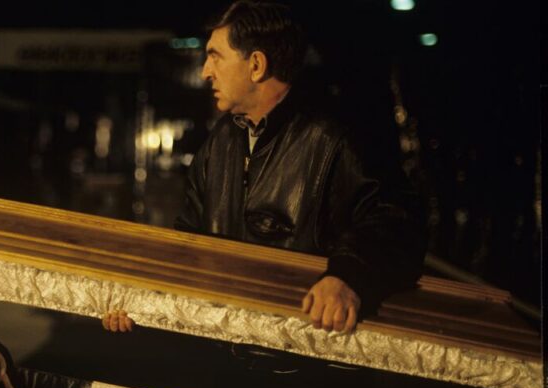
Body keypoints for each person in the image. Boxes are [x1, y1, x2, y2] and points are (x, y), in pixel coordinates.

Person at [104, 0, 424, 335]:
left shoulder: (334, 138)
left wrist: (347, 277)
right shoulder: (220, 142)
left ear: (256, 65)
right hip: (226, 354)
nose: (204, 71)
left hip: (300, 363)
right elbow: (191, 243)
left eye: (215, 56)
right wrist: (142, 299)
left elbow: (398, 221)